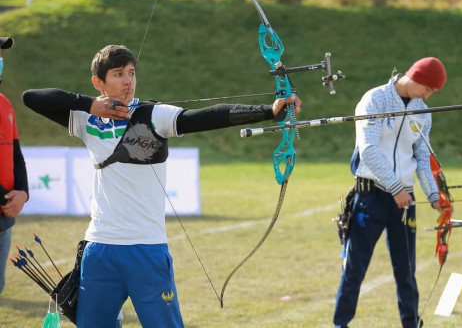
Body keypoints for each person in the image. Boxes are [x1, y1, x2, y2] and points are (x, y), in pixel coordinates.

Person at [23, 44, 300, 327]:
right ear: (99, 82)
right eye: (118, 74)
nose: (127, 80)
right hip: (100, 248)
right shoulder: (86, 120)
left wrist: (267, 111)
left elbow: (203, 117)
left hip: (147, 249)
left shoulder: (154, 115)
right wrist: (90, 104)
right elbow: (31, 98)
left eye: (131, 73)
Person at [333, 57, 451, 328]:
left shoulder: (422, 111)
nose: (427, 97)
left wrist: (434, 195)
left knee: (406, 271)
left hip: (404, 200)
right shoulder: (374, 100)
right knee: (354, 268)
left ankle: (411, 324)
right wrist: (395, 187)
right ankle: (341, 325)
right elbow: (369, 150)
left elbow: (422, 156)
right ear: (416, 77)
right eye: (428, 89)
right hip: (370, 197)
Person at [0, 36, 29, 296]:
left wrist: (23, 192)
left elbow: (16, 155)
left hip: (4, 217)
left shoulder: (5, 103)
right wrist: (6, 199)